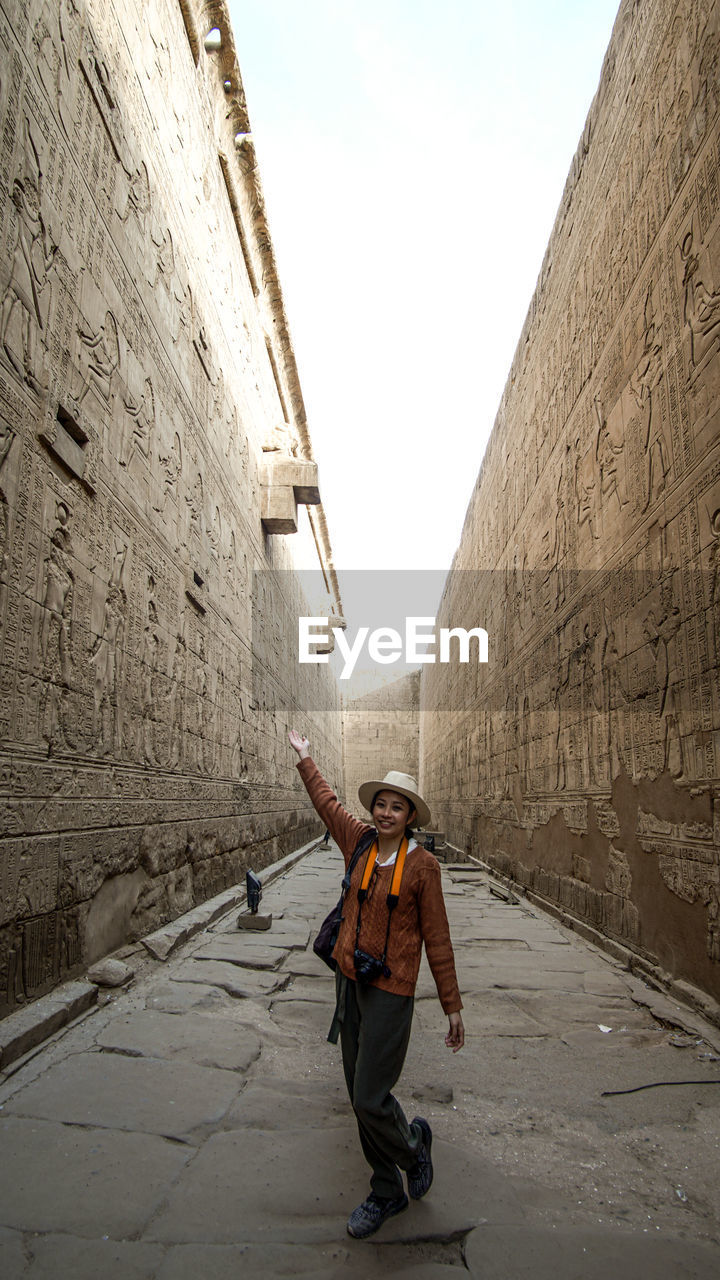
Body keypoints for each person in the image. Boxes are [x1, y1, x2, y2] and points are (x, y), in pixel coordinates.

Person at [288, 729, 464, 1239]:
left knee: (370, 1096)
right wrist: (305, 758)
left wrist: (451, 1004)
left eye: (396, 808)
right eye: (381, 804)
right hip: (350, 981)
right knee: (357, 1095)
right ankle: (386, 1190)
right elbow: (327, 802)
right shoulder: (358, 842)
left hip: (391, 990)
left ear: (410, 817)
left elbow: (438, 937)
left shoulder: (423, 866)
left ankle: (412, 1146)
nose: (385, 813)